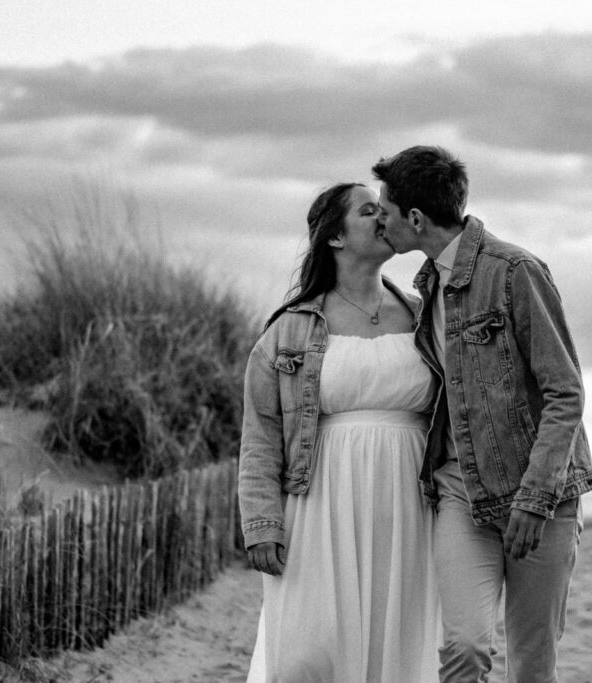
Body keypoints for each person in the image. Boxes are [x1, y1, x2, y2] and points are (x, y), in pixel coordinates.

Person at [372, 146, 592, 683]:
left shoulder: (516, 272)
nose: (380, 220)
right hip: (460, 494)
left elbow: (565, 391)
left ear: (416, 219)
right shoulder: (425, 289)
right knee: (464, 647)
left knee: (531, 663)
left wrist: (535, 497)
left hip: (540, 500)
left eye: (384, 209)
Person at [238, 182, 441, 682]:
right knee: (306, 653)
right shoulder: (289, 330)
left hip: (409, 504)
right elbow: (260, 436)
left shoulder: (426, 316)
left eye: (384, 209)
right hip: (320, 504)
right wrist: (262, 523)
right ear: (334, 237)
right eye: (368, 210)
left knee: (397, 647)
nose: (383, 218)